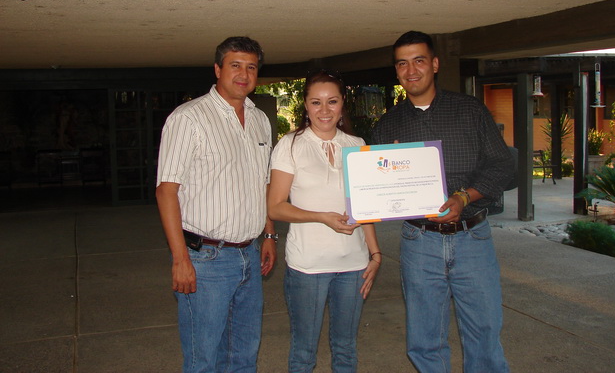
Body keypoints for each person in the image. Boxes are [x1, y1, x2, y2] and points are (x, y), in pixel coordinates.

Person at [371, 31, 513, 373]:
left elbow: (502, 165)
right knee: (424, 339)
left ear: (434, 64)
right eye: (402, 63)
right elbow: (377, 187)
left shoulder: (470, 110)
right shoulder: (387, 125)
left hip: (472, 237)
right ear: (396, 71)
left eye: (419, 60)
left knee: (484, 331)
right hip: (419, 241)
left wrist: (464, 196)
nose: (411, 70)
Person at [156, 36, 277, 373]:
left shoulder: (259, 119)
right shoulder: (189, 118)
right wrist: (181, 259)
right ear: (217, 69)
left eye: (251, 67)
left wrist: (269, 234)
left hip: (249, 255)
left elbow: (263, 183)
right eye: (235, 65)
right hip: (206, 260)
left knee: (244, 355)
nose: (244, 74)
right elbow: (166, 191)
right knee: (203, 360)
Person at [268, 69, 381, 373]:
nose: (324, 110)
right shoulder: (290, 145)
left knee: (346, 349)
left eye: (332, 101)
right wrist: (321, 218)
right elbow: (275, 207)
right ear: (305, 105)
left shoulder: (356, 144)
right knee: (304, 351)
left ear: (343, 103)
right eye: (316, 102)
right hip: (308, 267)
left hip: (354, 266)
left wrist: (375, 254)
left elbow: (365, 207)